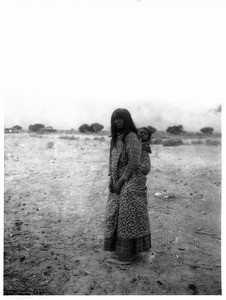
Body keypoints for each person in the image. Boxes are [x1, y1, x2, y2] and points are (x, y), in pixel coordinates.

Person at [103, 108, 152, 264]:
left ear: (127, 120)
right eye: (115, 119)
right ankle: (123, 251)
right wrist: (112, 179)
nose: (118, 121)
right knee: (114, 211)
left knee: (126, 209)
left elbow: (133, 162)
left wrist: (121, 181)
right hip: (119, 179)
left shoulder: (131, 137)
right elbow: (111, 161)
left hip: (132, 178)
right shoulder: (115, 138)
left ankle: (127, 256)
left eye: (121, 118)